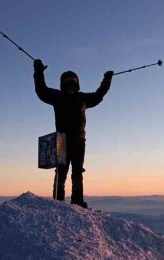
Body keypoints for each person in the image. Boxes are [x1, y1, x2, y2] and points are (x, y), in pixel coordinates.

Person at [33, 59, 113, 208]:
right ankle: (59, 201)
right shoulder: (58, 97)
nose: (70, 84)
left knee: (77, 171)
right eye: (67, 82)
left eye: (72, 82)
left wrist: (106, 80)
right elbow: (41, 90)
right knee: (62, 172)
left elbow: (99, 94)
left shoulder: (82, 98)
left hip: (78, 140)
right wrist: (38, 72)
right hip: (62, 140)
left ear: (77, 84)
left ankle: (77, 202)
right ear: (62, 84)